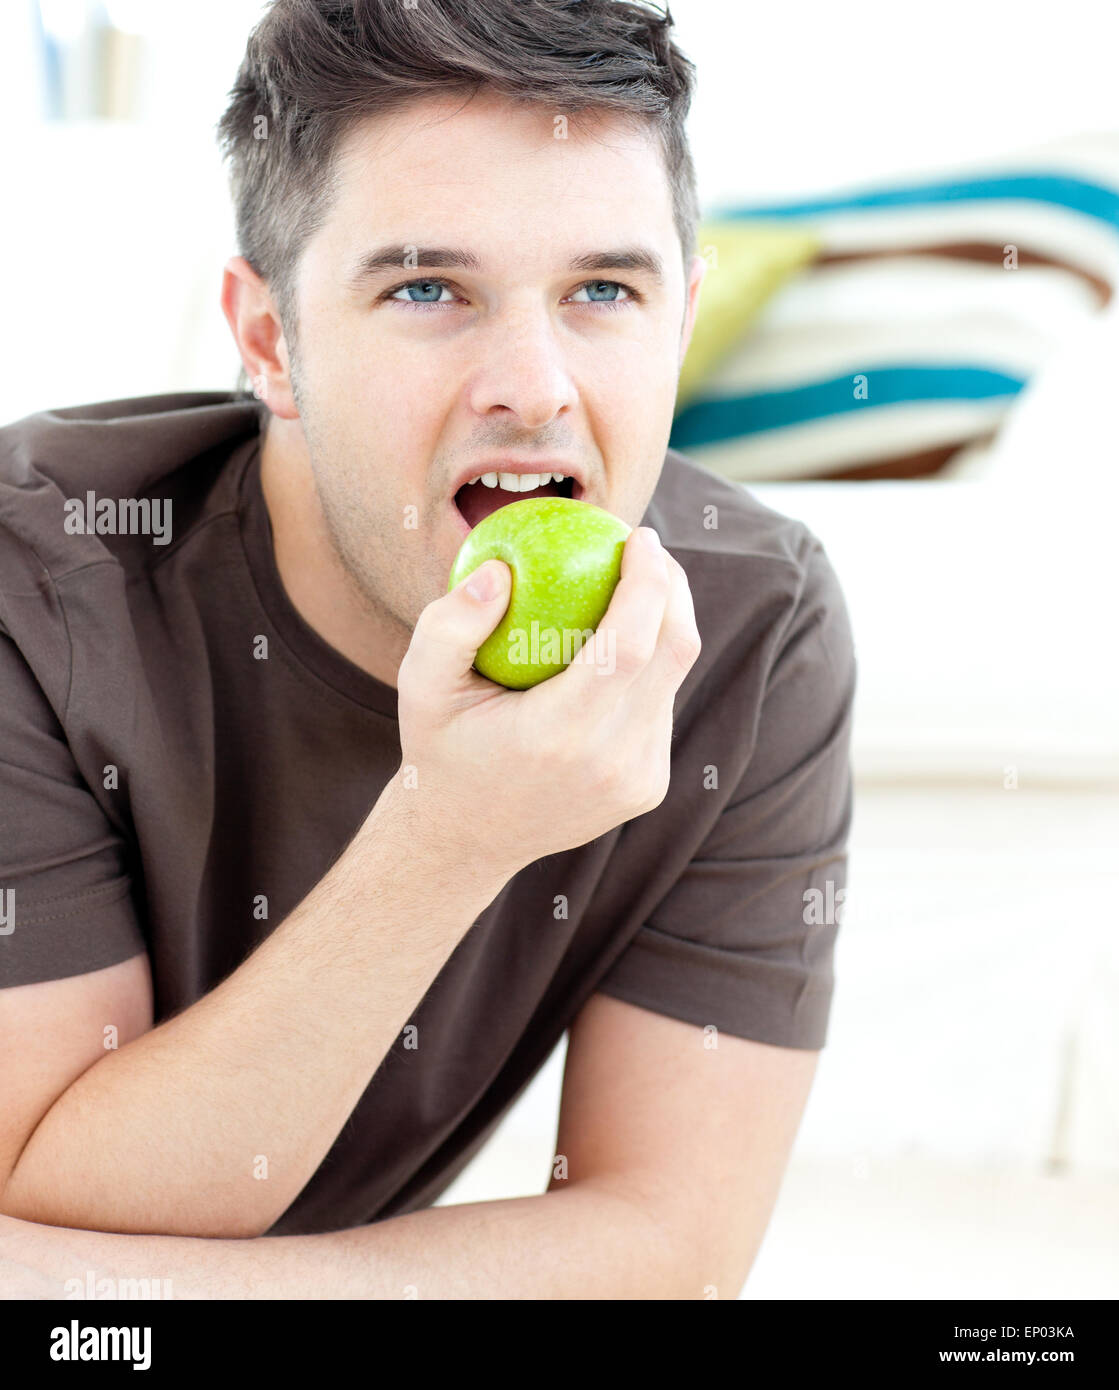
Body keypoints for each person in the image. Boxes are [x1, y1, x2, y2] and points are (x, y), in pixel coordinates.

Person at [0, 0, 855, 1299]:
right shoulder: (34, 583)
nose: (534, 384)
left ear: (681, 326)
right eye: (426, 287)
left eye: (604, 291)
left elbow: (667, 1245)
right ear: (269, 342)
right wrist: (446, 837)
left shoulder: (751, 627)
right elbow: (35, 1181)